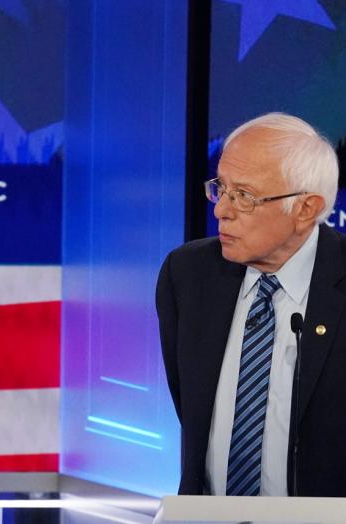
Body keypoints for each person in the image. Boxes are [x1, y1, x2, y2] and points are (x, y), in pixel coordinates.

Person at [156, 112, 346, 497]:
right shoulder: (188, 275)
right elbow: (189, 408)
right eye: (220, 188)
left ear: (306, 209)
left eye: (243, 195)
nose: (221, 210)